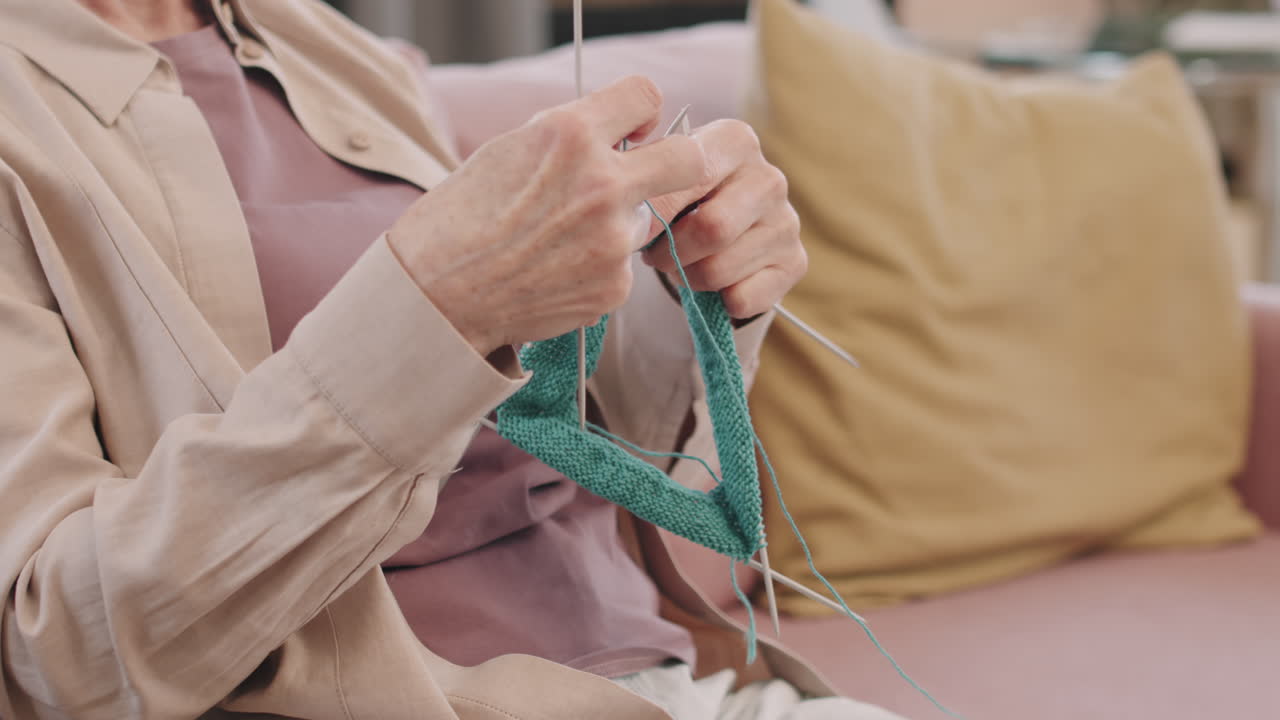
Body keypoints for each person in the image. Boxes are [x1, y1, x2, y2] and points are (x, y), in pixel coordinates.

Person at [0, 1, 906, 718]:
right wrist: (432, 307)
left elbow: (554, 433)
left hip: (687, 683)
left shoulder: (330, 47)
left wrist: (691, 281)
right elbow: (59, 653)